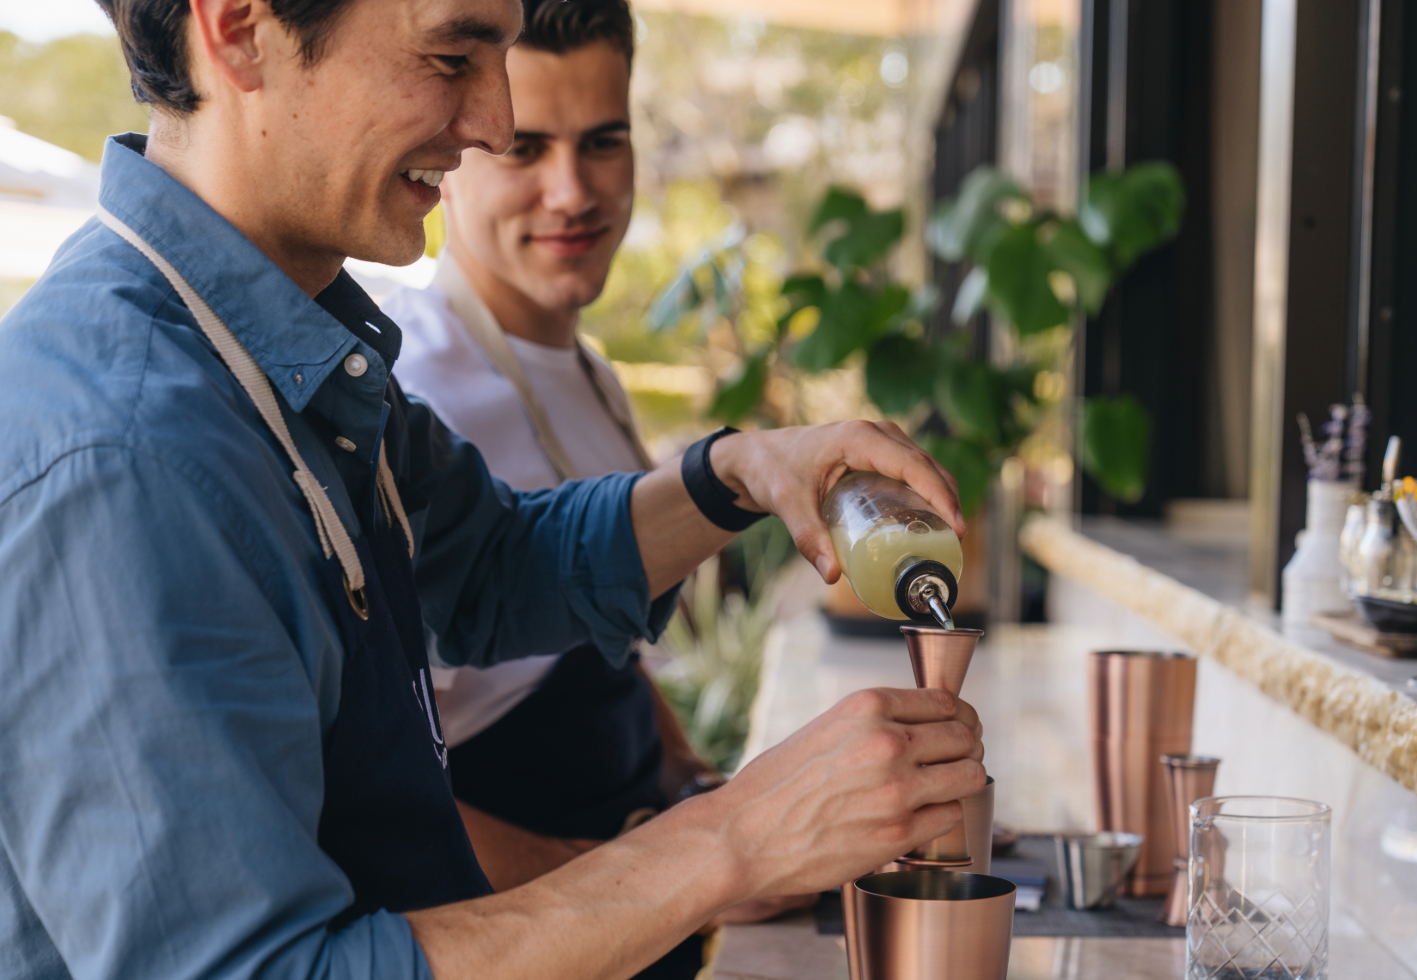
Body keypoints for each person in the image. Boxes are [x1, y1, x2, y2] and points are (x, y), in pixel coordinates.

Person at [0, 2, 983, 979]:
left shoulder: (282, 341)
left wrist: (738, 474)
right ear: (242, 29)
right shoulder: (126, 456)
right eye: (453, 54)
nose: (495, 123)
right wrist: (732, 839)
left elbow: (491, 566)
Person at [386, 4, 804, 970]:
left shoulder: (595, 375)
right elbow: (381, 796)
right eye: (526, 147)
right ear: (460, 141)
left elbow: (605, 654)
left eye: (602, 141)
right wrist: (649, 877)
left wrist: (704, 789)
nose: (572, 191)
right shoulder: (406, 390)